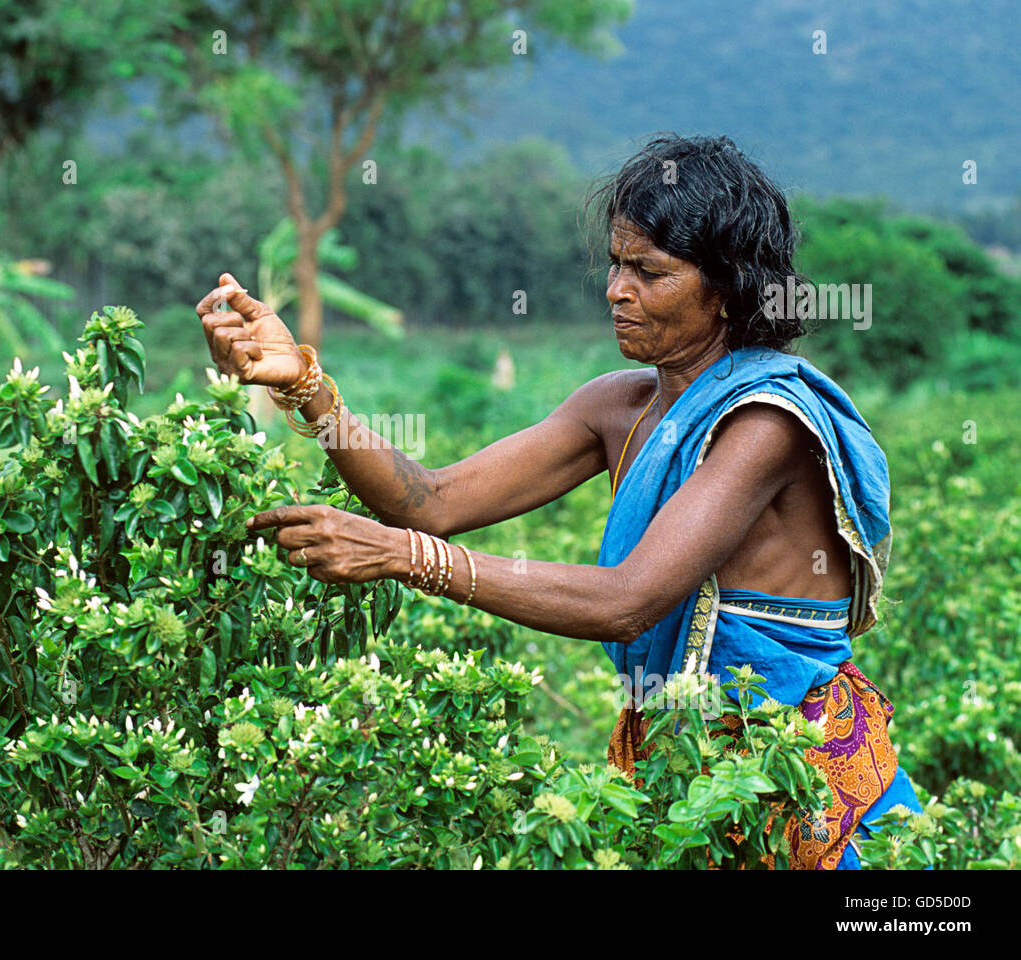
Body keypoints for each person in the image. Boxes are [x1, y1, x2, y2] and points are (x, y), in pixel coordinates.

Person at [195, 133, 921, 870]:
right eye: (615, 263)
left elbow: (628, 601)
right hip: (675, 758)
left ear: (727, 288)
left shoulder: (765, 422)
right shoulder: (619, 406)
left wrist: (407, 560)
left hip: (787, 769)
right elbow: (431, 500)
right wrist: (305, 387)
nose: (616, 289)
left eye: (650, 271)